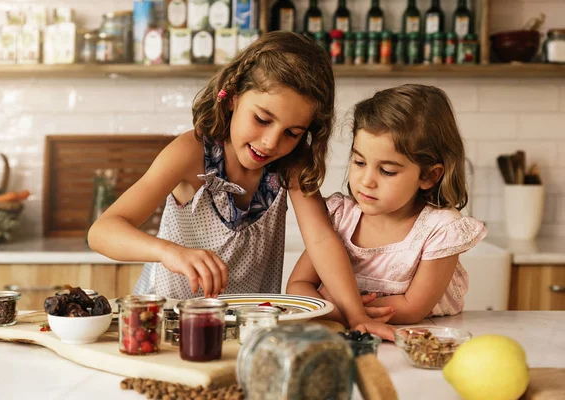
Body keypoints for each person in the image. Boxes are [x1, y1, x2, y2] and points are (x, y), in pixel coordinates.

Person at [88, 31, 395, 340]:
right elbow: (102, 232)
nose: (271, 142)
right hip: (169, 326)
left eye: (293, 132)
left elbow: (322, 240)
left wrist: (357, 315)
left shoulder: (291, 164)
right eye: (262, 119)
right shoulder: (191, 153)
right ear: (233, 95)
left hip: (249, 331)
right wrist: (170, 252)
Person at [287, 84, 488, 325]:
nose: (367, 181)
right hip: (349, 335)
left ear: (429, 176)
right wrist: (351, 315)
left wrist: (342, 310)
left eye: (387, 171)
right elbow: (298, 286)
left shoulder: (441, 230)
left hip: (419, 337)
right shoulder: (341, 218)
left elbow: (412, 308)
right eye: (360, 162)